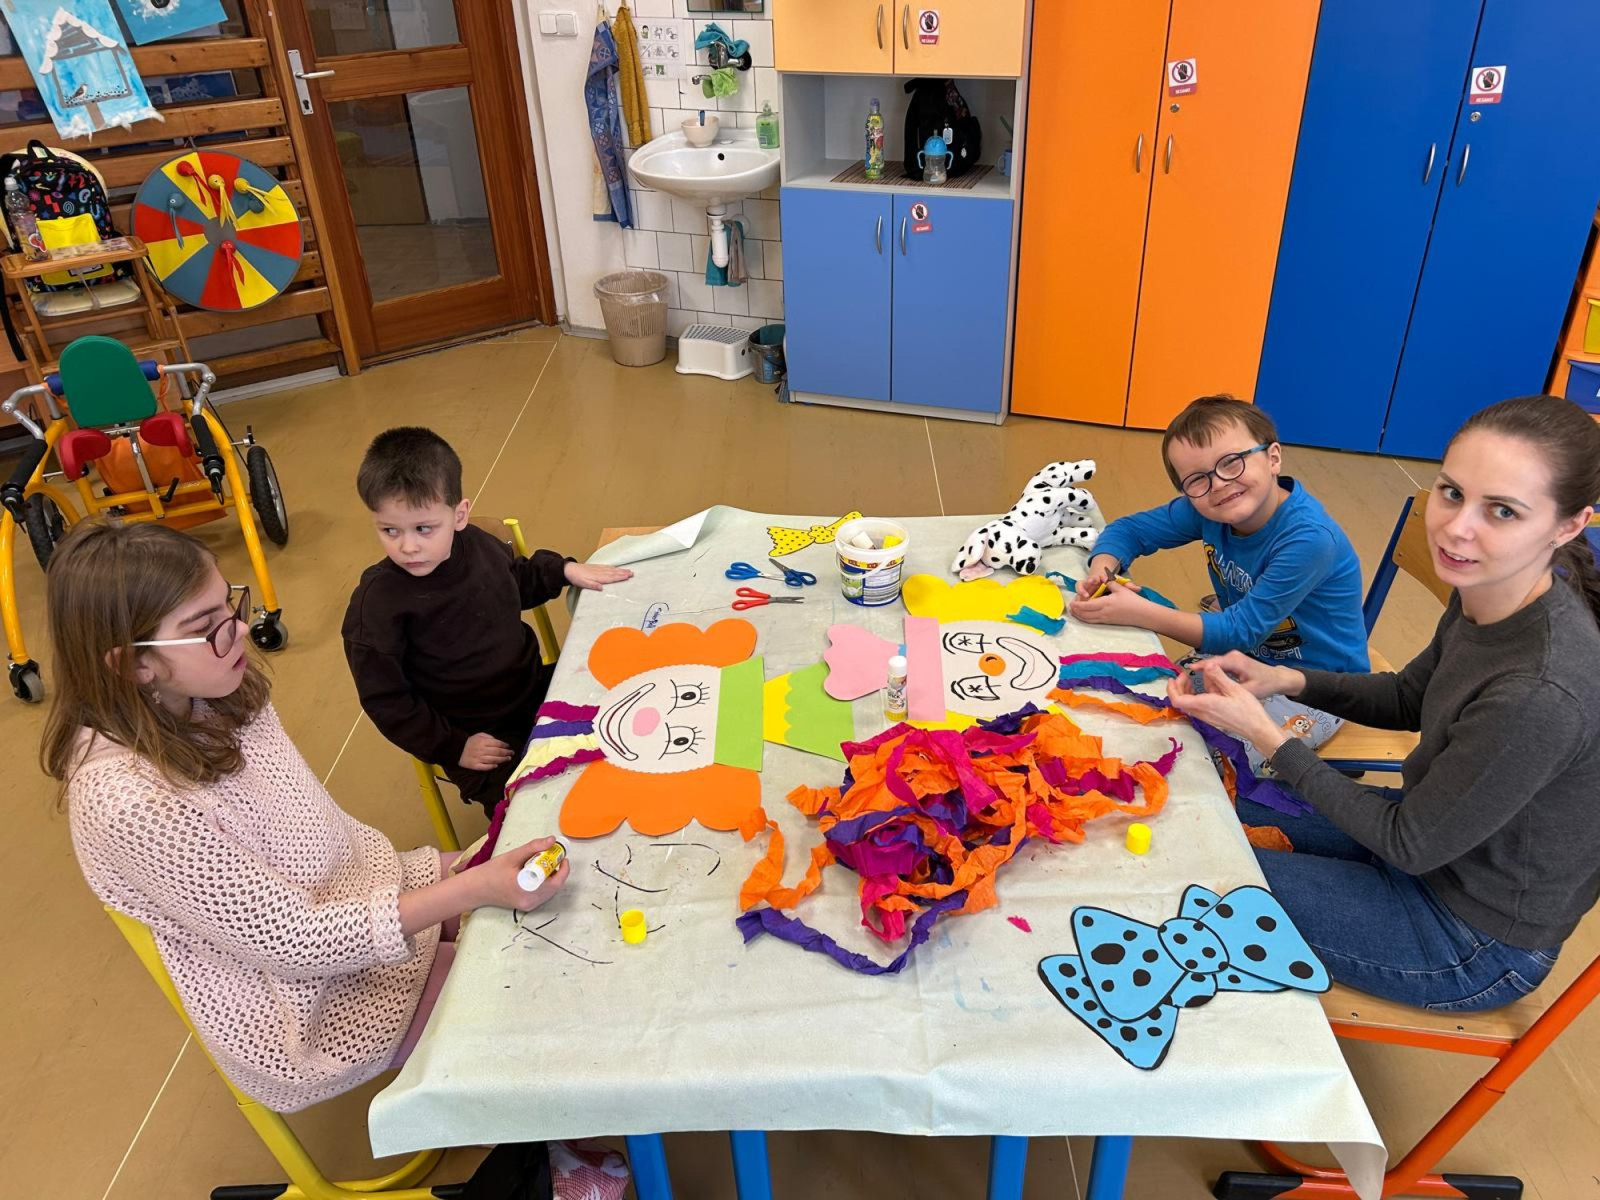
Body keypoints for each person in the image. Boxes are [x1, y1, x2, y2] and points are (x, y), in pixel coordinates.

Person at [45, 521, 569, 1111]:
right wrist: (471, 887)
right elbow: (297, 941)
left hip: (359, 898)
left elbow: (318, 842)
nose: (239, 631)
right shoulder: (129, 802)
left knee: (551, 913)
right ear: (133, 665)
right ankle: (556, 1144)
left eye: (230, 605)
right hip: (305, 1006)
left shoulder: (214, 690)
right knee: (532, 987)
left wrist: (461, 882)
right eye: (206, 627)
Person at [1170, 395, 1600, 1011]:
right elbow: (1408, 697)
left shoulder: (1540, 690)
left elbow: (1408, 844)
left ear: (1569, 525)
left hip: (1471, 938)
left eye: (1502, 510)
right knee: (1198, 811)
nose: (1457, 528)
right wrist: (1285, 680)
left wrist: (1268, 736)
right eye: (1452, 492)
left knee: (1190, 878)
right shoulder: (1490, 587)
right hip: (1431, 846)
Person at [342, 428, 631, 814]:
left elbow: (517, 580)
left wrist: (563, 570)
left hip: (536, 690)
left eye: (423, 528)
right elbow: (387, 701)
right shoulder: (376, 605)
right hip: (479, 736)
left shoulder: (477, 544)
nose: (408, 546)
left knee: (632, 714)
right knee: (540, 812)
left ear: (459, 515)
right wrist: (455, 747)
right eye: (389, 530)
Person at [1071, 394, 1367, 768]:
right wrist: (1103, 570)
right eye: (1197, 479)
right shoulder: (1210, 509)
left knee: (1205, 765)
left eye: (1231, 462)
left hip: (1315, 688)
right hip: (1246, 658)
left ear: (1273, 458)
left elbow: (1239, 631)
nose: (1219, 484)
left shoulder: (1309, 539)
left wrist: (1140, 613)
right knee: (1146, 703)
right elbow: (1130, 530)